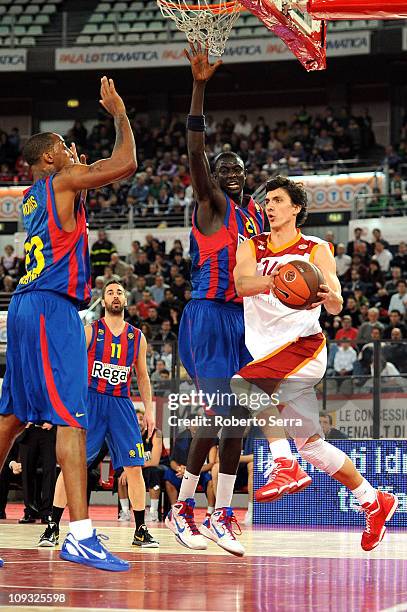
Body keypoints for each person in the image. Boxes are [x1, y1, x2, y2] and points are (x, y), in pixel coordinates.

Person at [0, 76, 137, 571]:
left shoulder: (37, 194)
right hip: (50, 308)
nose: (70, 149)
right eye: (63, 146)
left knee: (12, 416)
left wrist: (72, 169)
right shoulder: (61, 180)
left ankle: (77, 533)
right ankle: (80, 534)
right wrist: (119, 114)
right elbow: (125, 164)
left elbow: (70, 199)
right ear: (51, 159)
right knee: (70, 418)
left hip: (24, 306)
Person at [233, 175, 398, 551]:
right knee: (311, 446)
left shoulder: (316, 247)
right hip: (269, 354)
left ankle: (282, 464)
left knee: (243, 384)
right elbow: (242, 285)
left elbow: (337, 300)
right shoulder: (252, 246)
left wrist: (328, 295)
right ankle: (373, 501)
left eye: (277, 200)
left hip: (303, 347)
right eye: (266, 201)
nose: (269, 206)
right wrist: (277, 281)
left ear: (295, 208)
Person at [165, 42, 265, 558]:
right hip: (206, 316)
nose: (229, 175)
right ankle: (186, 507)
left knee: (238, 418)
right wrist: (199, 85)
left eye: (237, 171)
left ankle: (220, 512)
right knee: (224, 409)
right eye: (222, 170)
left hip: (242, 319)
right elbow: (196, 151)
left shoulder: (253, 218)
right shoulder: (211, 203)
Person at [38, 280, 158, 549]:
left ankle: (140, 530)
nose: (115, 296)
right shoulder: (91, 331)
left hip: (121, 404)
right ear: (103, 302)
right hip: (91, 403)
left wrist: (149, 410)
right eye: (110, 293)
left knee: (134, 467)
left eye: (120, 293)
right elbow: (69, 367)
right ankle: (52, 526)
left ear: (126, 301)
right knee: (73, 465)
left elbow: (142, 375)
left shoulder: (137, 337)